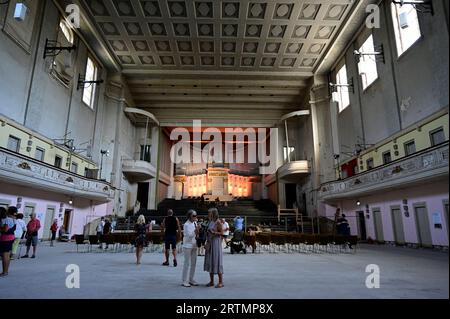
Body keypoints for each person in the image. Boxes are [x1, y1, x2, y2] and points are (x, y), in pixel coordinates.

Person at [204, 208, 224, 288]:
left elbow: (222, 233)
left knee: (216, 260)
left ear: (214, 214)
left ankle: (220, 282)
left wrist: (214, 232)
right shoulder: (210, 221)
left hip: (216, 243)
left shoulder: (218, 222)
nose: (208, 214)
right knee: (210, 260)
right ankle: (211, 281)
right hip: (210, 242)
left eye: (210, 213)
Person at [182, 210, 200, 287]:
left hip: (194, 244)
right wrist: (196, 230)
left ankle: (191, 279)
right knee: (187, 263)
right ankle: (184, 280)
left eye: (196, 215)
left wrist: (198, 231)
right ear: (189, 216)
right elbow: (189, 235)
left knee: (194, 263)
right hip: (187, 245)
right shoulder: (186, 225)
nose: (195, 217)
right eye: (193, 216)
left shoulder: (195, 223)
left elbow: (196, 234)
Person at [0, 207, 16, 277]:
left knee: (5, 255)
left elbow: (5, 230)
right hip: (11, 237)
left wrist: (0, 229)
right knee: (7, 255)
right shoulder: (13, 219)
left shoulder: (7, 219)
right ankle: (6, 271)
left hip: (6, 238)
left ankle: (5, 272)